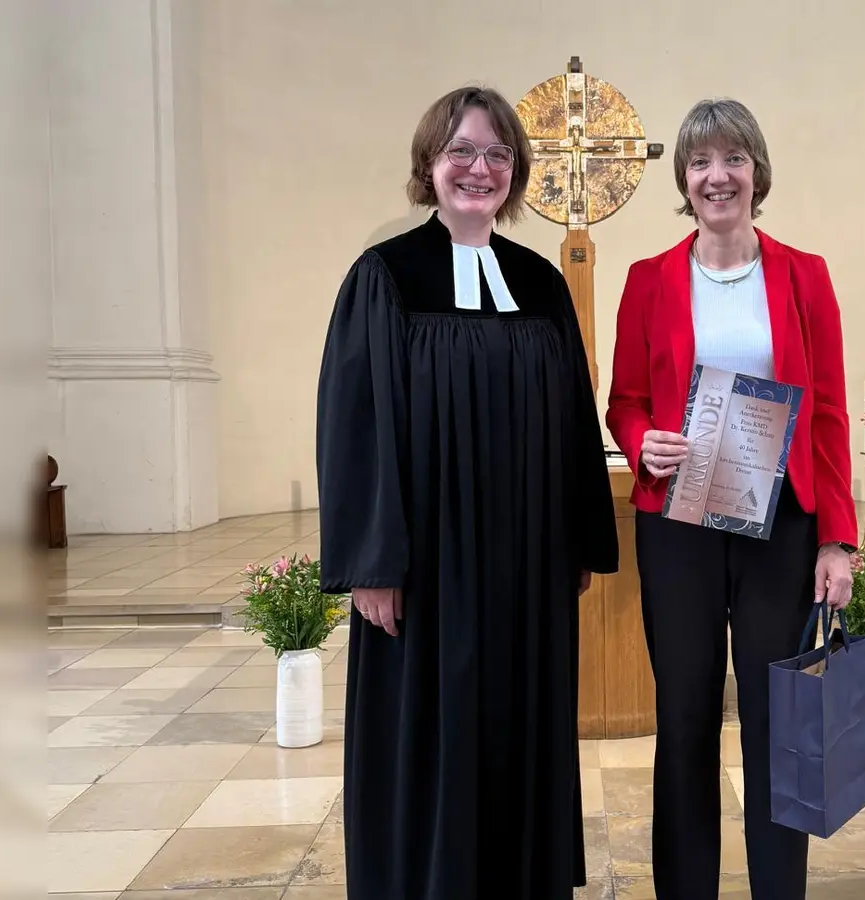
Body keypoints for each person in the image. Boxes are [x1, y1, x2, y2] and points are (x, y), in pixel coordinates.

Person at [315, 85, 619, 900]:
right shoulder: (385, 276)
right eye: (461, 151)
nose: (479, 169)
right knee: (432, 728)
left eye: (497, 154)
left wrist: (579, 541)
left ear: (515, 171)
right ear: (429, 163)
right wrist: (373, 563)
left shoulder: (541, 284)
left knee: (519, 724)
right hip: (427, 567)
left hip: (526, 566)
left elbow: (573, 417)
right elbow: (356, 424)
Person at [604, 97, 858, 900]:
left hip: (781, 527)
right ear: (684, 179)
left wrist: (837, 540)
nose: (718, 176)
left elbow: (828, 410)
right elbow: (625, 400)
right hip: (679, 524)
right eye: (701, 162)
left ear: (757, 172)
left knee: (779, 720)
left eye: (734, 159)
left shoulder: (805, 275)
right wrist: (641, 440)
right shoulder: (648, 279)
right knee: (683, 716)